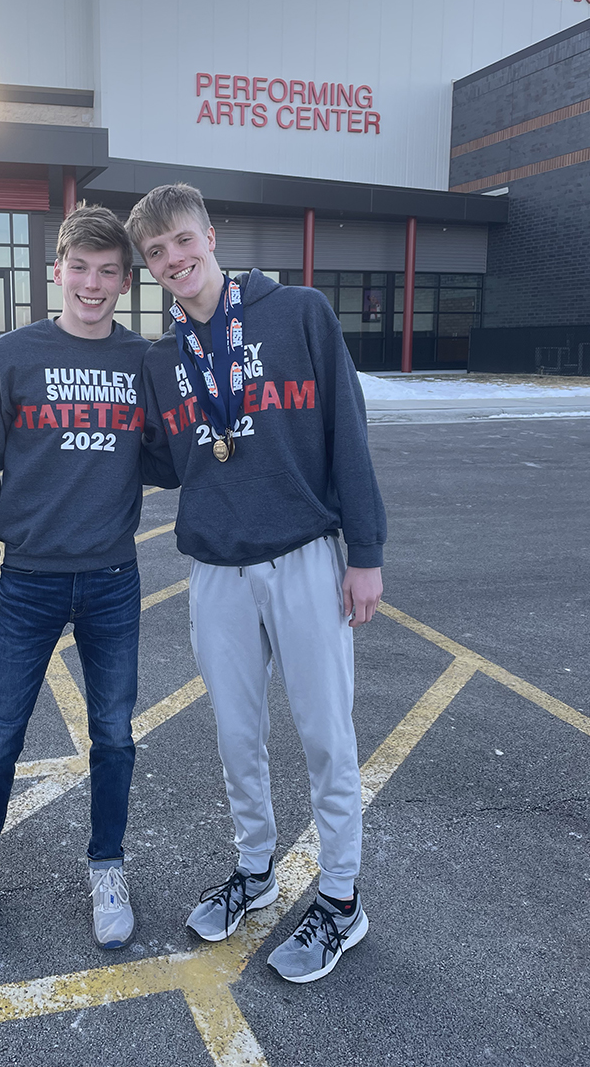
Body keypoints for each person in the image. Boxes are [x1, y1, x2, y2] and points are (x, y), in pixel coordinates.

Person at [127, 184, 386, 984]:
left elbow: (348, 428)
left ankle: (341, 902)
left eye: (181, 240)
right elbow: (168, 463)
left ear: (210, 233)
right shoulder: (163, 360)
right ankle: (256, 870)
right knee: (237, 736)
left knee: (324, 735)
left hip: (304, 556)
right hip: (216, 568)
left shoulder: (299, 312)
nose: (174, 260)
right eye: (156, 254)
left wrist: (364, 551)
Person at [0, 204, 168, 956]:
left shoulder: (141, 360)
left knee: (114, 736)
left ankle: (106, 867)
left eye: (107, 271)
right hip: (24, 582)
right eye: (78, 268)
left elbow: (160, 460)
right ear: (56, 271)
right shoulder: (13, 356)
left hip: (114, 578)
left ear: (124, 281)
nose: (92, 283)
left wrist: (197, 423)